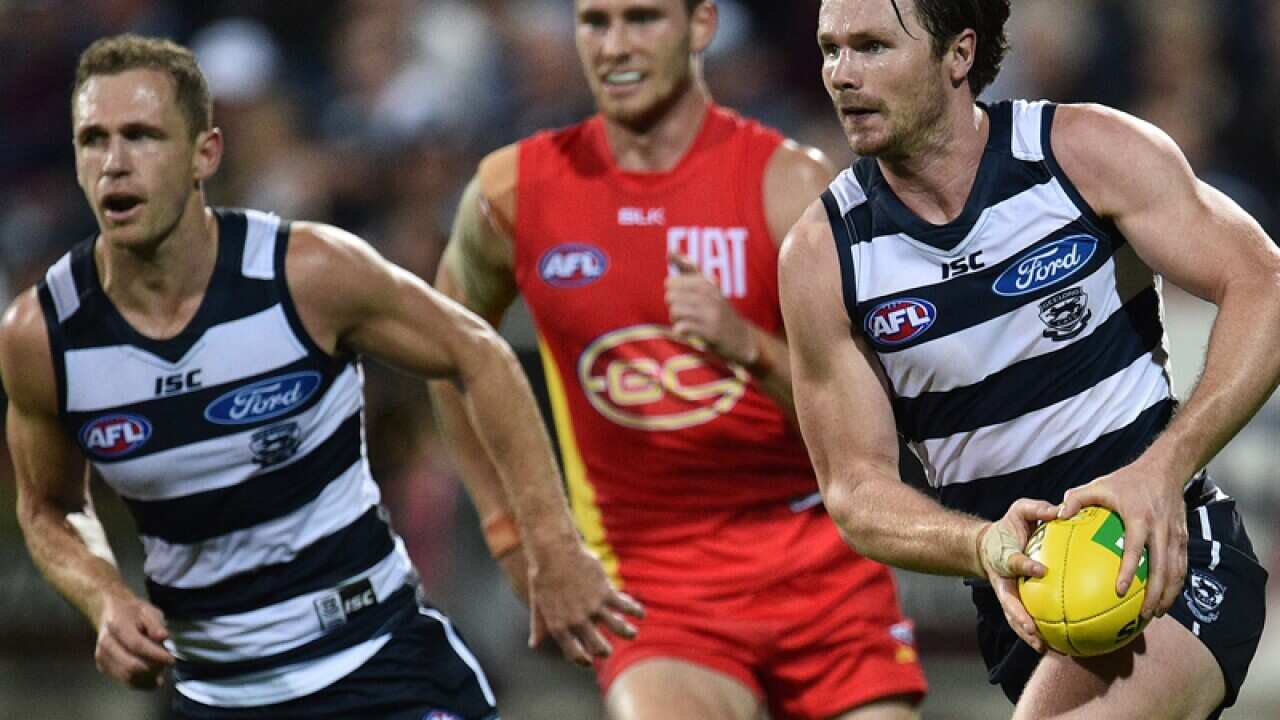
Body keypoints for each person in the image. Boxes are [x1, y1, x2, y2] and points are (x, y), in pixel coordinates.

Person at [0, 34, 642, 719]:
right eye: (93, 140)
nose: (116, 164)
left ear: (204, 154)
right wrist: (104, 597)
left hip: (378, 664)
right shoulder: (43, 336)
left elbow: (476, 351)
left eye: (142, 136)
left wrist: (551, 542)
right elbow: (50, 506)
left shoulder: (305, 275)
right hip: (212, 693)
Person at [432, 1, 928, 718]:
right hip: (657, 592)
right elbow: (450, 350)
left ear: (701, 26)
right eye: (595, 22)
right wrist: (517, 535)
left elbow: (877, 418)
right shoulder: (513, 194)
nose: (615, 46)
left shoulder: (788, 185)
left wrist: (748, 346)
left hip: (823, 575)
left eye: (643, 19)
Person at [780, 1, 1275, 718]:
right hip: (1024, 603)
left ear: (958, 54)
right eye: (830, 50)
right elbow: (855, 489)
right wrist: (980, 543)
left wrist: (1161, 472)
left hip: (1165, 558)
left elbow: (1264, 282)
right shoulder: (825, 255)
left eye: (872, 47)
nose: (842, 75)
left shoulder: (1081, 153)